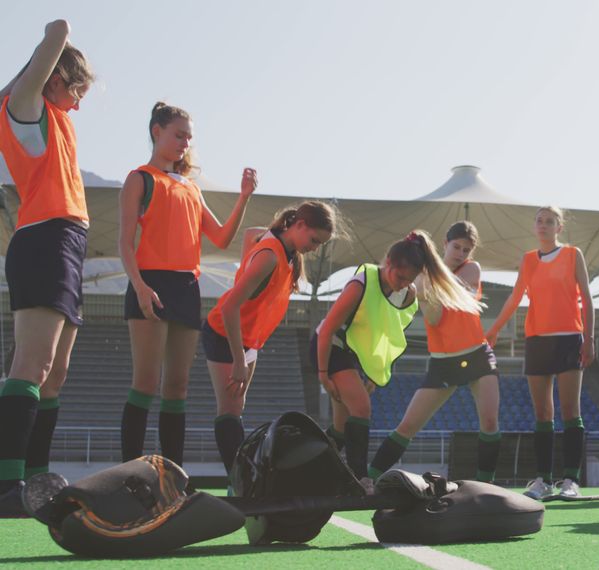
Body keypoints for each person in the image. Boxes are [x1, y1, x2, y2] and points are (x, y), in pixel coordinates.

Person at [118, 102, 257, 466]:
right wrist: (139, 286)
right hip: (150, 284)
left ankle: (173, 474)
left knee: (177, 387)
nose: (184, 143)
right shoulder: (140, 178)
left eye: (189, 137)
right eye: (178, 135)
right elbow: (124, 242)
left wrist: (244, 196)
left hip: (186, 288)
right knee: (146, 383)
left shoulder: (191, 188)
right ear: (156, 131)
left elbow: (223, 238)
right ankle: (129, 471)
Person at [0, 20, 94, 516]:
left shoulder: (57, 118)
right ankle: (7, 484)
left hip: (67, 242)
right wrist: (59, 37)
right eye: (76, 88)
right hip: (43, 239)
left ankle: (35, 480)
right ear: (53, 77)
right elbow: (55, 34)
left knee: (55, 374)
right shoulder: (26, 106)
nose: (79, 102)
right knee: (31, 366)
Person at [314, 230, 480, 488]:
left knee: (340, 427)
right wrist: (323, 374)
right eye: (399, 276)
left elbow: (386, 335)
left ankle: (307, 469)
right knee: (362, 408)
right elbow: (326, 331)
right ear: (387, 263)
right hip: (330, 347)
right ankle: (360, 480)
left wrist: (373, 372)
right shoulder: (361, 283)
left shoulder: (407, 293)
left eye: (409, 279)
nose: (402, 283)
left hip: (352, 354)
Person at [205, 201, 337, 474]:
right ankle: (240, 482)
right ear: (299, 225)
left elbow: (250, 232)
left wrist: (244, 268)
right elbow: (230, 307)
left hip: (250, 339)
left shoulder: (286, 249)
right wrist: (239, 361)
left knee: (236, 408)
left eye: (319, 244)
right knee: (229, 411)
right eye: (314, 240)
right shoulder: (270, 255)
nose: (314, 248)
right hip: (225, 334)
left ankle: (242, 481)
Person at [366, 222, 501, 482]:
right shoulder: (421, 277)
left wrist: (427, 284)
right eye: (457, 246)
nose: (461, 253)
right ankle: (367, 478)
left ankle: (487, 486)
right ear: (445, 244)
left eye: (466, 249)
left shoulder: (470, 269)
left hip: (478, 355)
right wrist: (423, 286)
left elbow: (458, 291)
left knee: (490, 422)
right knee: (408, 426)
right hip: (443, 362)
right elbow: (435, 318)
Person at [486, 206, 595, 500]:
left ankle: (571, 480)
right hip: (536, 340)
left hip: (570, 338)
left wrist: (589, 338)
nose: (544, 225)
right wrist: (494, 328)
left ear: (559, 228)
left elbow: (586, 296)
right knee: (542, 413)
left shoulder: (573, 254)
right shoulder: (528, 259)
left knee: (571, 410)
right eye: (539, 221)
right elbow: (515, 295)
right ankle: (543, 480)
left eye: (550, 221)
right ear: (534, 227)